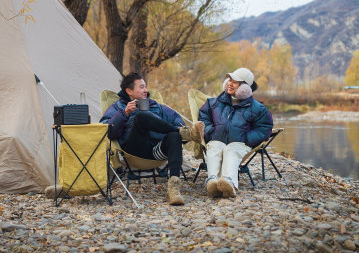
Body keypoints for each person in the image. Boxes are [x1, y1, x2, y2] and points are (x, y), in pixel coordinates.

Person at [101, 72, 204, 205]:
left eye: (145, 87)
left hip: (156, 151)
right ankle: (185, 133)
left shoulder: (156, 105)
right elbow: (107, 131)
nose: (146, 90)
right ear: (129, 91)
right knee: (141, 117)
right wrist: (125, 113)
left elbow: (176, 120)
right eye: (142, 87)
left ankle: (173, 189)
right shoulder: (118, 107)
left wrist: (178, 129)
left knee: (174, 135)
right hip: (134, 152)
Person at [198, 68, 273, 198]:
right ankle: (212, 181)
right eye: (229, 80)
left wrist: (245, 138)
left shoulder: (258, 108)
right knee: (213, 147)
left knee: (231, 150)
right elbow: (203, 118)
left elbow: (264, 128)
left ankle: (230, 183)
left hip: (239, 144)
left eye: (235, 82)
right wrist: (211, 132)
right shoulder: (213, 103)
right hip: (217, 139)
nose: (229, 84)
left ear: (245, 87)